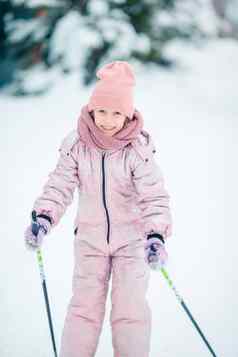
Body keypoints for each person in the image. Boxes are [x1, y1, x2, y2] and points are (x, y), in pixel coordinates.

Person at [24, 60, 172, 357]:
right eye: (102, 111)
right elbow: (60, 185)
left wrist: (155, 235)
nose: (107, 120)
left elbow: (153, 197)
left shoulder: (136, 151)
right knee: (83, 309)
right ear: (91, 109)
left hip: (131, 244)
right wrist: (43, 217)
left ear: (128, 115)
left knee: (130, 311)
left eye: (117, 113)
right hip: (90, 242)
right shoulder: (78, 144)